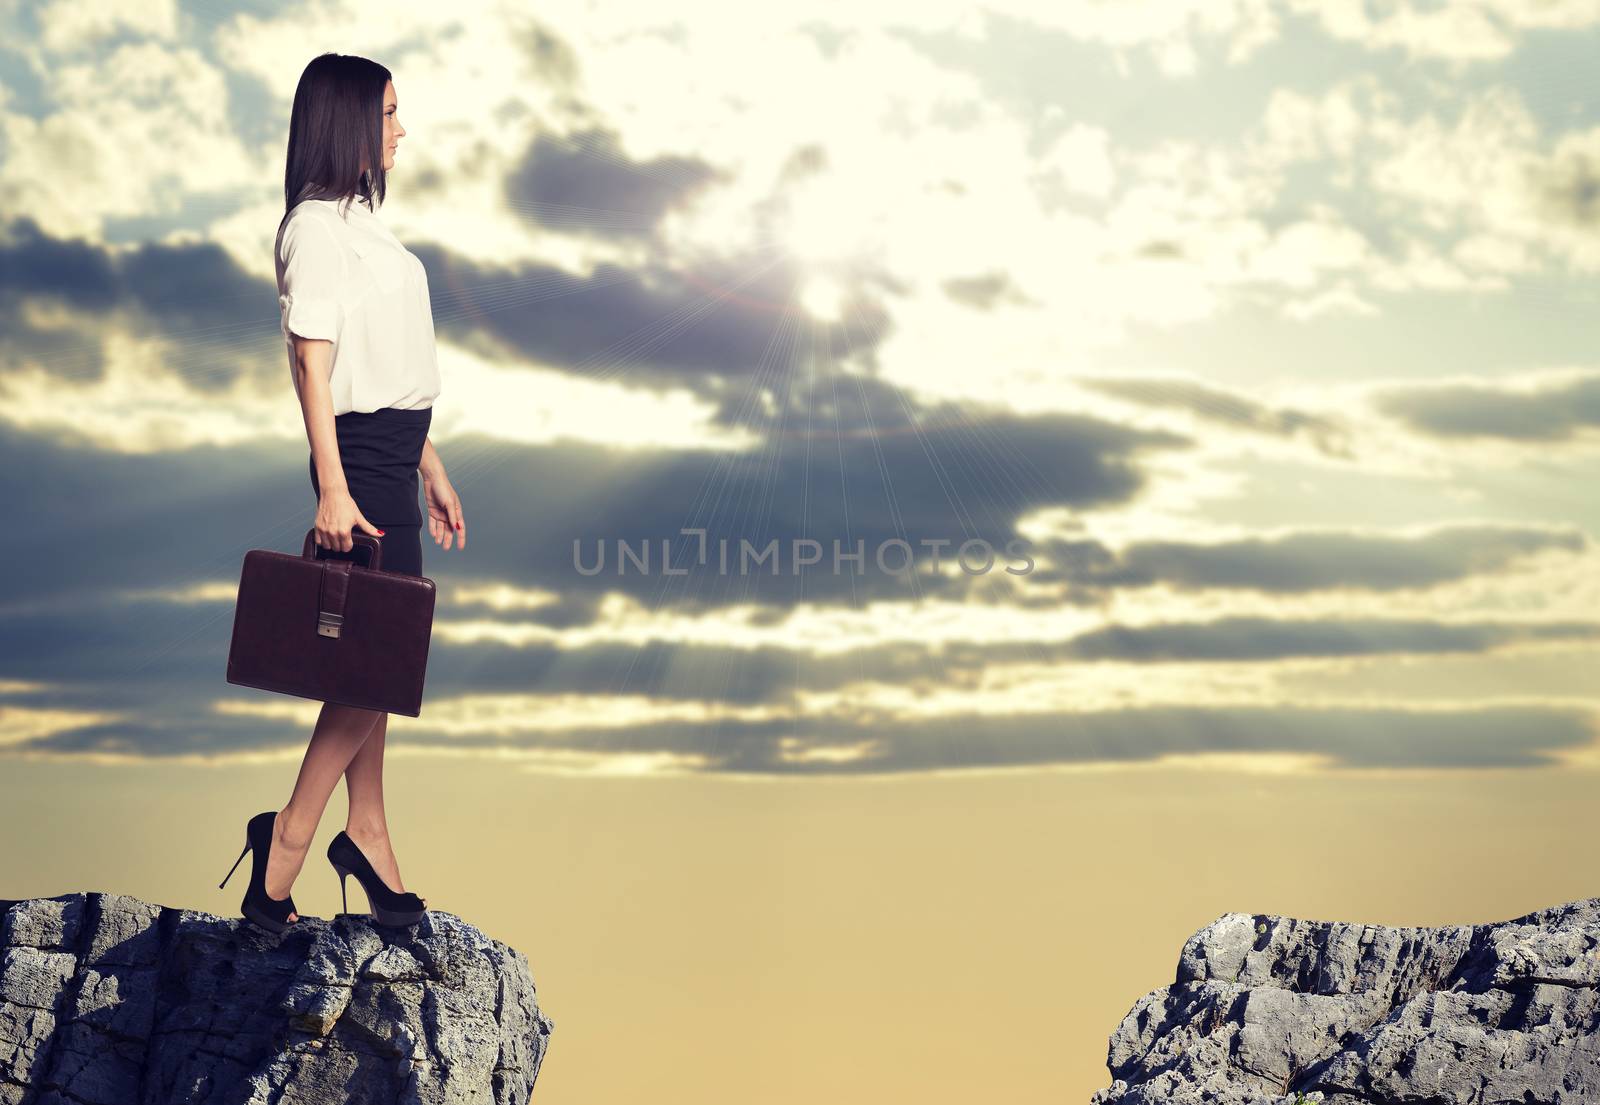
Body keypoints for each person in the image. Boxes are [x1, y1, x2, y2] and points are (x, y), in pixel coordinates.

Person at [222, 53, 465, 934]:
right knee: (382, 662)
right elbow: (312, 362)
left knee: (381, 659)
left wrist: (428, 462)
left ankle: (365, 829)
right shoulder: (316, 228)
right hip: (357, 460)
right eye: (392, 112)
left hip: (392, 455)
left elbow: (386, 362)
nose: (403, 129)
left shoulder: (365, 225)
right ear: (351, 121)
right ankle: (289, 837)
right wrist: (333, 484)